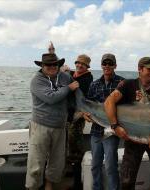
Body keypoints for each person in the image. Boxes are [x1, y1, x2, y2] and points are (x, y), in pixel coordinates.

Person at [104, 57, 150, 190]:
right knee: (126, 181)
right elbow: (109, 102)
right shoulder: (127, 85)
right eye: (149, 69)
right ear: (139, 69)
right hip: (132, 139)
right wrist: (115, 126)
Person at [25, 53, 79, 190]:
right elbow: (51, 98)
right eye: (48, 65)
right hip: (40, 126)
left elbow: (76, 89)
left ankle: (49, 187)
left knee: (57, 162)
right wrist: (68, 88)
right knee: (36, 163)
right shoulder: (37, 80)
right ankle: (32, 187)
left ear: (59, 65)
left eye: (55, 64)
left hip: (60, 126)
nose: (52, 67)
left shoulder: (65, 77)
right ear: (42, 66)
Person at [86, 53, 124, 190]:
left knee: (110, 166)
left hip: (112, 131)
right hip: (96, 130)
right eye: (104, 63)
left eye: (110, 63)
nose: (107, 66)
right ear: (101, 65)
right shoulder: (94, 84)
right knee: (95, 165)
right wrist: (85, 114)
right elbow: (88, 104)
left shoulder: (122, 83)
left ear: (115, 65)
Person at [64, 54, 93, 189]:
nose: (79, 65)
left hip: (77, 117)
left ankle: (77, 183)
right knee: (67, 148)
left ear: (87, 67)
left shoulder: (87, 78)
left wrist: (65, 73)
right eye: (78, 63)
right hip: (65, 116)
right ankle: (70, 172)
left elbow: (74, 85)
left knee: (76, 150)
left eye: (83, 64)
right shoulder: (71, 74)